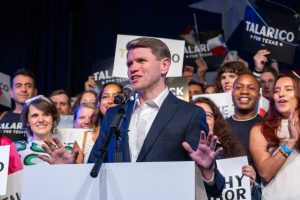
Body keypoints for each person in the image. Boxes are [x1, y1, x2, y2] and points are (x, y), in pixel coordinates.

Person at [40, 37, 225, 197]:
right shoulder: (115, 114)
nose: (133, 68)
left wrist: (208, 170)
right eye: (129, 63)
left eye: (141, 61)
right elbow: (94, 169)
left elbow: (216, 189)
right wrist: (70, 170)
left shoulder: (190, 115)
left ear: (165, 65)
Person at [194, 97, 261, 199]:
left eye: (207, 115)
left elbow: (256, 197)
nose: (202, 118)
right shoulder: (178, 153)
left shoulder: (230, 150)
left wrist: (250, 186)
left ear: (214, 121)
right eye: (196, 115)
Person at [250, 74, 300, 199]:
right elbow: (265, 173)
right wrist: (291, 141)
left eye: (288, 89)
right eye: (276, 91)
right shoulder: (260, 130)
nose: (281, 94)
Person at [226, 73, 263, 183]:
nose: (244, 91)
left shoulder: (268, 126)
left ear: (259, 96)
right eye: (238, 87)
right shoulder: (220, 128)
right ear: (232, 94)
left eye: (251, 88)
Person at [73, 82, 122, 163]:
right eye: (105, 97)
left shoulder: (130, 131)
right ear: (99, 103)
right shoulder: (83, 138)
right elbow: (75, 173)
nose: (110, 101)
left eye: (116, 96)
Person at [18, 95, 63, 166]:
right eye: (35, 115)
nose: (41, 120)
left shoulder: (68, 149)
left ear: (53, 119)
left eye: (46, 114)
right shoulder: (16, 148)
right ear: (27, 121)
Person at [0, 68, 37, 142]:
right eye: (18, 86)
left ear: (35, 92)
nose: (24, 89)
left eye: (28, 86)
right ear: (11, 92)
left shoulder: (42, 119)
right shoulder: (1, 116)